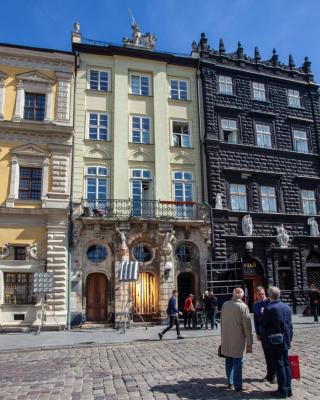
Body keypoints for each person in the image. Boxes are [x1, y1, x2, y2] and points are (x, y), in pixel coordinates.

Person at [261, 287, 293, 398]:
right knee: (286, 364)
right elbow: (290, 325)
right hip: (286, 339)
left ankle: (282, 390)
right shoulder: (286, 307)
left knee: (279, 365)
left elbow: (264, 325)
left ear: (269, 295)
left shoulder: (269, 308)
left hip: (275, 341)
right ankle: (288, 389)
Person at [220, 287, 253, 392]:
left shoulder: (225, 305)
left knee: (228, 361)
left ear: (233, 294)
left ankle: (230, 383)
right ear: (242, 295)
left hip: (226, 338)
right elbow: (247, 327)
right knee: (238, 362)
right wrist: (250, 341)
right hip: (238, 340)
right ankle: (238, 385)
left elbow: (221, 321)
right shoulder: (243, 307)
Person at [253, 286, 276, 384]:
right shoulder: (255, 305)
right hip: (263, 333)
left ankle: (274, 375)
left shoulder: (270, 302)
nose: (262, 296)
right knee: (267, 354)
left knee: (273, 354)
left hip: (272, 332)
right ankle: (269, 374)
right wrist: (258, 332)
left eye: (263, 293)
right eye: (259, 294)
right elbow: (256, 320)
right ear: (256, 295)